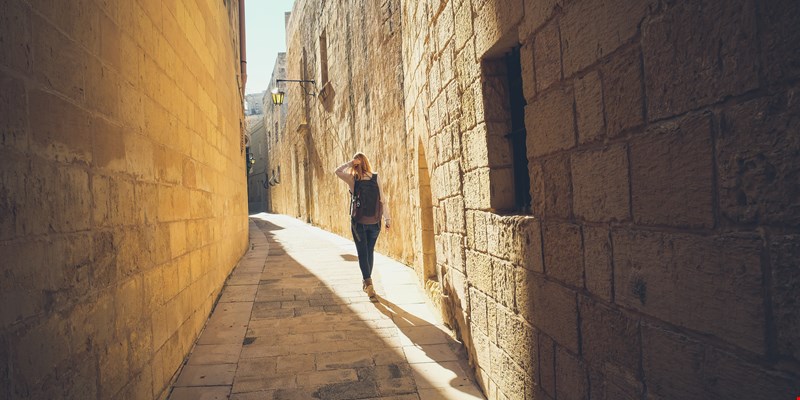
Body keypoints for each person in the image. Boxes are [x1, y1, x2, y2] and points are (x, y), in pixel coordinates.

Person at [335, 152, 391, 298]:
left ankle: (368, 283)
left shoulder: (353, 179)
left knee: (362, 253)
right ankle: (368, 282)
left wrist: (350, 163)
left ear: (356, 164)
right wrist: (387, 219)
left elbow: (337, 171)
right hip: (375, 221)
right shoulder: (375, 177)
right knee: (369, 251)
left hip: (358, 222)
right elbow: (382, 199)